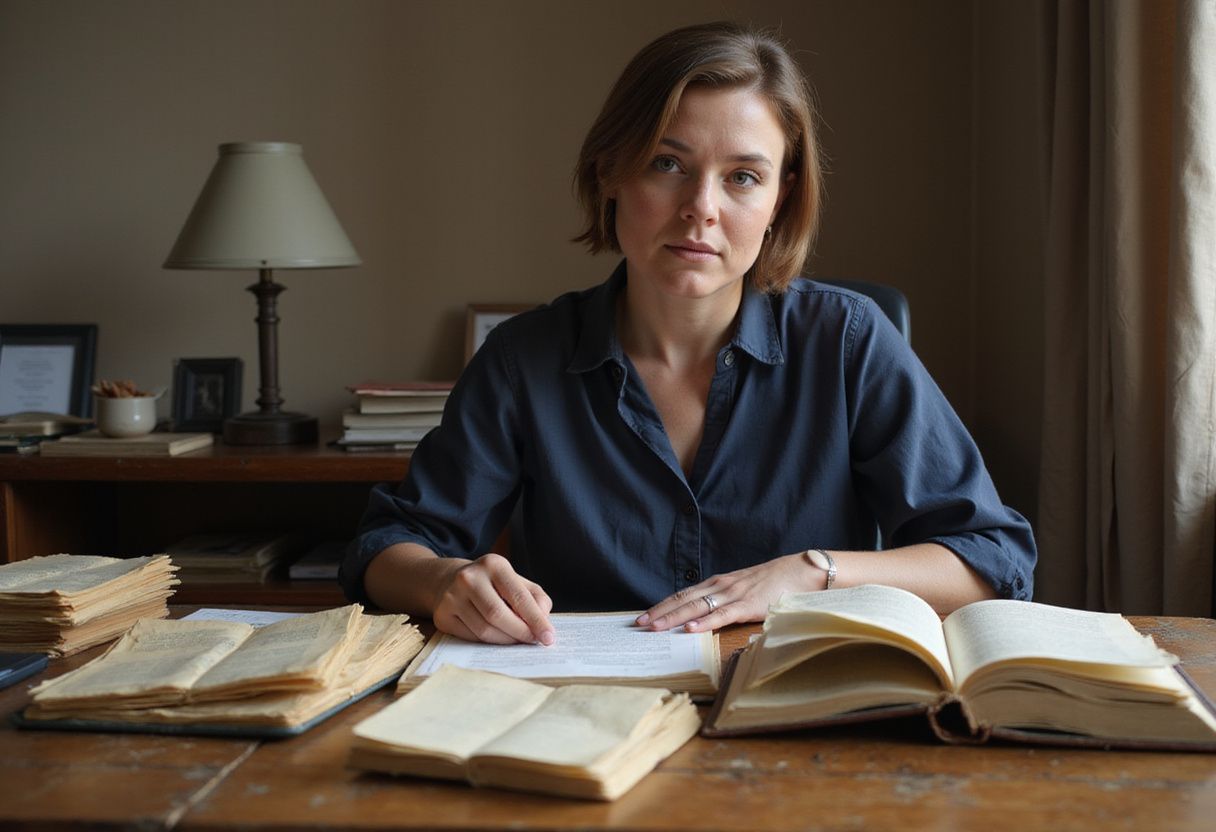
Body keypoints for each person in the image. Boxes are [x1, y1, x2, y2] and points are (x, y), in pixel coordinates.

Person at [340, 21, 1036, 646]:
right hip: (585, 710)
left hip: (798, 705)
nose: (701, 209)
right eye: (667, 164)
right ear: (611, 170)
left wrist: (812, 573)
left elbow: (990, 559)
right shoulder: (524, 359)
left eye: (742, 177)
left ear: (779, 199)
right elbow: (388, 545)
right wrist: (443, 583)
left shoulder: (849, 341)